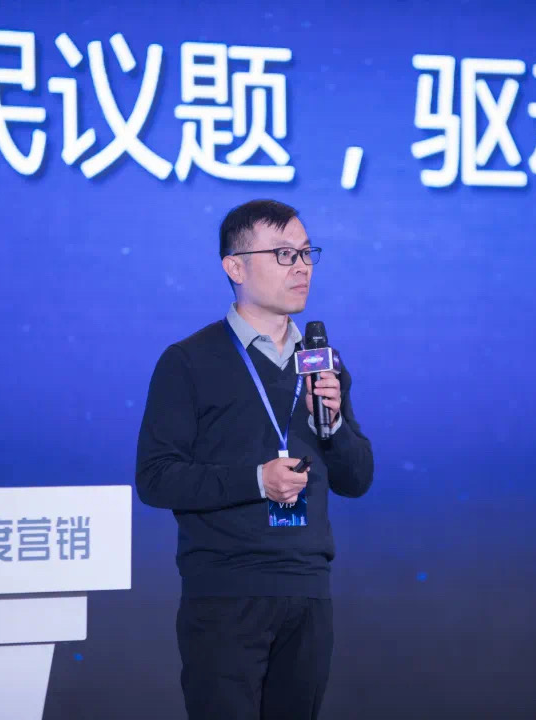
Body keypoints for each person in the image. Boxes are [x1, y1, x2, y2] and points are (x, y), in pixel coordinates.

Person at [135, 199, 375, 720]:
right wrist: (256, 481)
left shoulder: (322, 363)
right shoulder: (189, 361)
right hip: (226, 592)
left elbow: (356, 479)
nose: (302, 267)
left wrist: (332, 424)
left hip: (307, 590)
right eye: (284, 254)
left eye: (307, 253)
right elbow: (156, 478)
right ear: (235, 267)